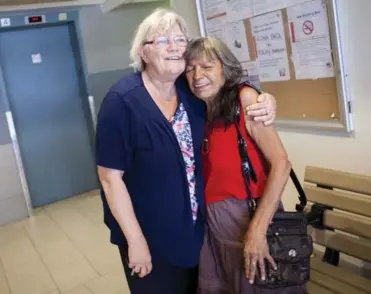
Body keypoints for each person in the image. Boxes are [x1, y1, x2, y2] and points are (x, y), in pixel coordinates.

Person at [95, 8, 277, 294]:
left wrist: (265, 99)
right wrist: (136, 241)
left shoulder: (190, 91)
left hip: (197, 234)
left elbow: (229, 87)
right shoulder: (121, 101)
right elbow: (109, 178)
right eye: (163, 41)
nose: (175, 48)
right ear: (144, 52)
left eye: (180, 40)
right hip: (149, 238)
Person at [184, 36, 308, 294]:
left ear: (225, 68)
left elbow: (281, 164)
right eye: (190, 68)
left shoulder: (245, 99)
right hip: (216, 231)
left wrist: (258, 231)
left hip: (248, 219)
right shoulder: (200, 110)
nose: (197, 75)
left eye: (207, 66)